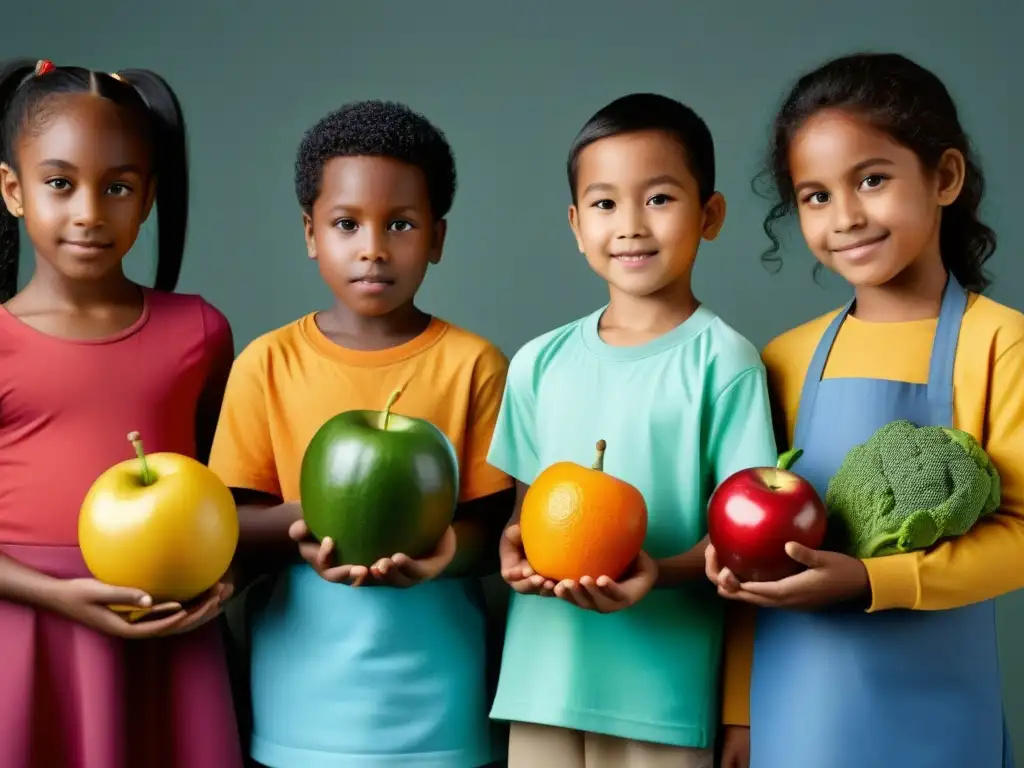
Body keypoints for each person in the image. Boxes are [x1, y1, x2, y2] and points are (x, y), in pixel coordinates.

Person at [707, 52, 1024, 768]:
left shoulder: (1001, 343)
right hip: (798, 705)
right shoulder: (784, 358)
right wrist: (738, 710)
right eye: (814, 196)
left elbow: (1023, 533)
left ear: (943, 177)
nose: (845, 217)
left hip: (938, 708)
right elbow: (748, 542)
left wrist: (875, 581)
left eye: (872, 180)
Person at [207, 99, 515, 768]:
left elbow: (491, 532)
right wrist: (319, 524)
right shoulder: (267, 363)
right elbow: (231, 519)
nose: (373, 247)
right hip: (299, 697)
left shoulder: (474, 365)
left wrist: (436, 550)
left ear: (436, 237)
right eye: (347, 223)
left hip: (439, 696)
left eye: (400, 224)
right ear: (311, 232)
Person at [487, 93, 778, 768]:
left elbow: (741, 543)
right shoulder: (539, 362)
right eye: (605, 203)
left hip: (663, 694)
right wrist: (514, 547)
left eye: (659, 199)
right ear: (575, 223)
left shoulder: (725, 362)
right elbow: (528, 513)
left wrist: (658, 571)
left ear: (710, 216)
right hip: (542, 683)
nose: (630, 226)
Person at [0, 59, 242, 767]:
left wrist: (226, 573)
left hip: (169, 629)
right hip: (27, 633)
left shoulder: (198, 332)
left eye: (117, 187)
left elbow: (225, 493)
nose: (88, 211)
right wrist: (58, 596)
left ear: (148, 199)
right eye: (59, 183)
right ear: (13, 190)